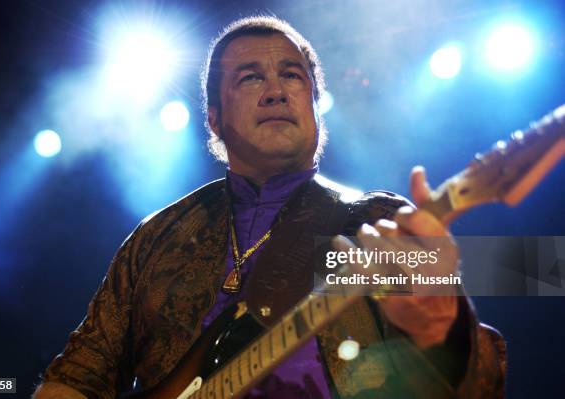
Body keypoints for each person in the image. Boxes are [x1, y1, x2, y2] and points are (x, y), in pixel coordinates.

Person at [33, 16, 506, 399]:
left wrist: (443, 323)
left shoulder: (376, 223)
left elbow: (480, 384)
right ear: (214, 120)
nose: (276, 90)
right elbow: (77, 375)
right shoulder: (155, 238)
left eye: (292, 76)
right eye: (250, 77)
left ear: (316, 108)